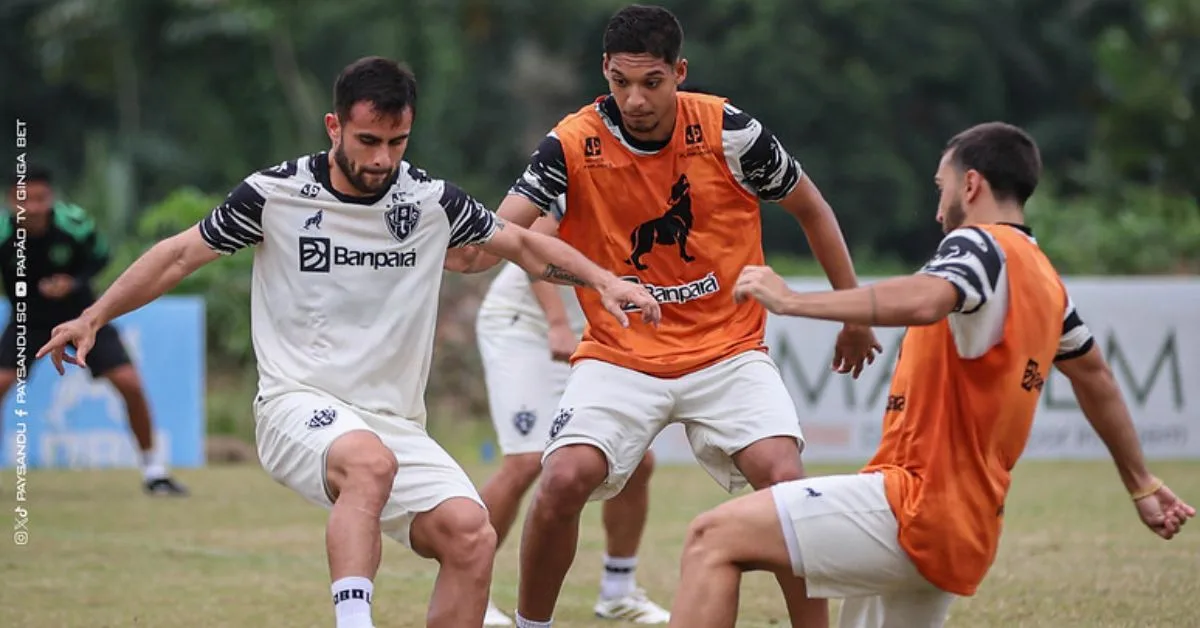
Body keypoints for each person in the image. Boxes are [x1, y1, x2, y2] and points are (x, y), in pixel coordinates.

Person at [37, 56, 661, 628]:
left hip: (394, 421)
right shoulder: (274, 194)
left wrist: (605, 281)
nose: (382, 159)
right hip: (294, 403)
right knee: (368, 462)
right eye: (367, 141)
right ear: (333, 126)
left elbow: (522, 245)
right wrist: (94, 315)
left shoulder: (431, 201)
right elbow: (176, 257)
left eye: (397, 142)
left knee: (471, 535)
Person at [446, 6, 881, 627]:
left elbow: (812, 209)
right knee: (561, 479)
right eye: (622, 82)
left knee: (786, 484)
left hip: (726, 350)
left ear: (679, 72)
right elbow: (497, 240)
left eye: (651, 82)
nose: (636, 98)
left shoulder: (729, 132)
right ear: (605, 71)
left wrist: (853, 312)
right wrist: (436, 243)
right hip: (622, 351)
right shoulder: (571, 143)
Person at [666, 121, 1197, 628]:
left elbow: (928, 299)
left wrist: (795, 302)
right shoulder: (1046, 283)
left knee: (711, 536)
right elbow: (1097, 378)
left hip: (912, 506)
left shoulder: (980, 244)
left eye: (941, 186)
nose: (938, 206)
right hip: (967, 527)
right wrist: (1141, 483)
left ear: (971, 184)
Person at [475, 196, 668, 626]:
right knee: (526, 461)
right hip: (526, 326)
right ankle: (470, 589)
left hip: (589, 332)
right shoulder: (591, 163)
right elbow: (534, 243)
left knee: (637, 462)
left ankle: (618, 592)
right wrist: (557, 323)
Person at [1, 168, 187, 495]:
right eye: (23, 200)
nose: (32, 207)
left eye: (40, 198)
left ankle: (154, 472)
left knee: (130, 383)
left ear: (51, 199)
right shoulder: (3, 232)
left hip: (83, 318)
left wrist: (72, 283)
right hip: (28, 320)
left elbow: (101, 258)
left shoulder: (74, 224)